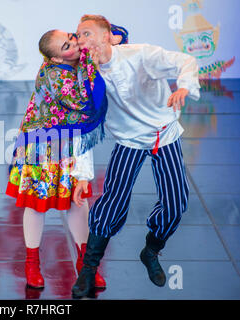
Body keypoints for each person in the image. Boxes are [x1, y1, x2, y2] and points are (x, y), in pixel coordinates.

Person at [71, 14, 200, 298]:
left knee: (176, 203)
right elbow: (84, 125)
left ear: (107, 35)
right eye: (78, 36)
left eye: (87, 33)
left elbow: (185, 61)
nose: (81, 40)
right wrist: (82, 174)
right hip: (129, 140)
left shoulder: (140, 55)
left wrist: (184, 86)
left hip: (162, 135)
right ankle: (89, 268)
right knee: (112, 202)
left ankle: (151, 250)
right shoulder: (87, 76)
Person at [6, 25, 128, 290]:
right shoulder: (54, 75)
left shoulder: (78, 58)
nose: (74, 43)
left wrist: (108, 38)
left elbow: (113, 36)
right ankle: (32, 263)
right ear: (55, 59)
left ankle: (87, 265)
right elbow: (85, 103)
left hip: (72, 144)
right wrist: (89, 56)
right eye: (67, 45)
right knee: (37, 205)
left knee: (77, 201)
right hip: (43, 145)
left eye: (72, 37)